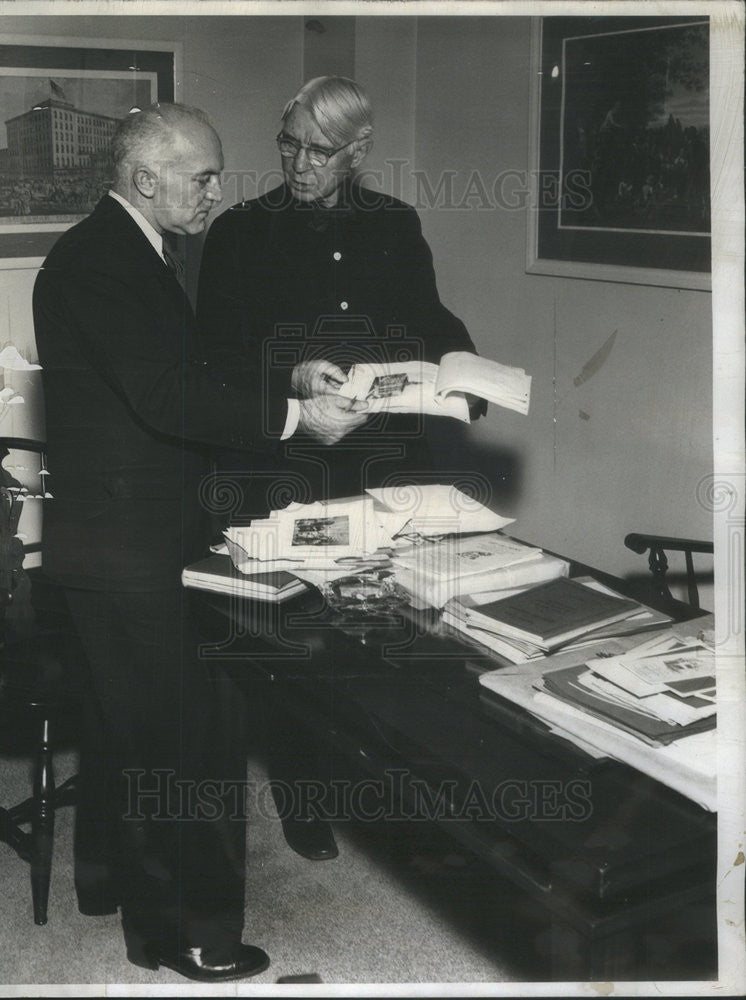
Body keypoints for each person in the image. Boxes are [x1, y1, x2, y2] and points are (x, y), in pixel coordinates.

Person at [33, 101, 368, 983]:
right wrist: (299, 417)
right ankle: (189, 935)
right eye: (204, 177)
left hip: (113, 540)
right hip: (133, 549)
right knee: (192, 739)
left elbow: (192, 370)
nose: (219, 192)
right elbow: (169, 398)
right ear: (146, 179)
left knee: (122, 732)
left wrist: (288, 374)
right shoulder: (105, 262)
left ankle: (109, 888)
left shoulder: (123, 248)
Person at [196, 77, 485, 864]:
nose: (298, 163)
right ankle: (305, 793)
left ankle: (384, 789)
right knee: (302, 634)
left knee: (389, 621)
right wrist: (295, 370)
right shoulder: (239, 232)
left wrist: (464, 365)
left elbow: (427, 318)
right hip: (290, 456)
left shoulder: (395, 224)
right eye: (289, 143)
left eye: (319, 151)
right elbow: (217, 354)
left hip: (384, 452)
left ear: (356, 151)